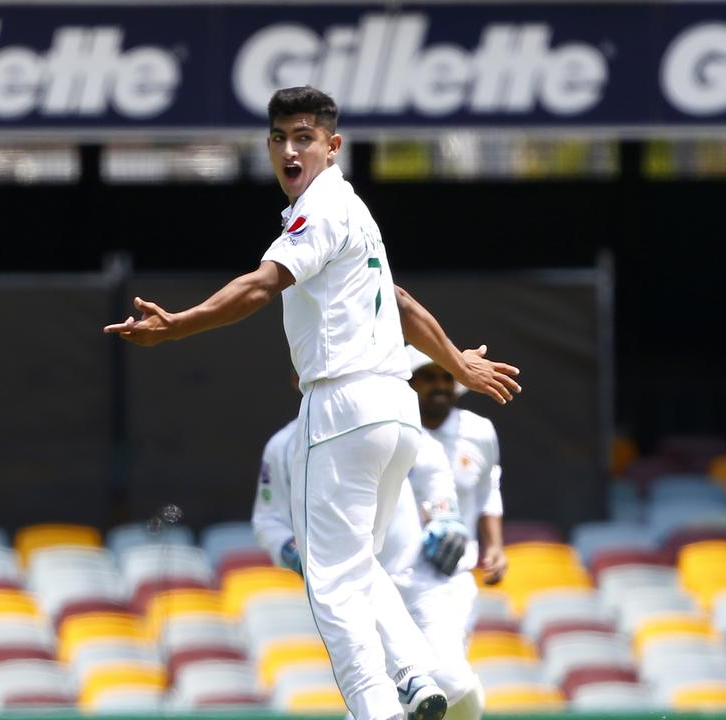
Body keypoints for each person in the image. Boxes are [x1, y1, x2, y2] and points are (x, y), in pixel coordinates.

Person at [105, 86, 520, 720]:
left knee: (331, 584)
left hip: (344, 408)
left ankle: (376, 708)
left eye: (305, 137)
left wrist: (178, 326)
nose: (290, 150)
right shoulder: (356, 210)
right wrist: (455, 358)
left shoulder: (319, 209)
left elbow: (261, 285)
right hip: (396, 413)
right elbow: (401, 302)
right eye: (279, 138)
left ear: (333, 146)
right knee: (361, 564)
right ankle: (417, 675)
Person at [252, 411, 486, 720]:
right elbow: (268, 520)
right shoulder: (283, 445)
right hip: (353, 591)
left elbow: (434, 473)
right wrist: (299, 553)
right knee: (379, 703)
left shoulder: (388, 420)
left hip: (418, 580)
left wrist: (446, 520)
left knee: (451, 680)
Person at [407, 347, 507, 592]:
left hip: (453, 575)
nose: (440, 385)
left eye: (447, 377)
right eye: (429, 377)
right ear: (410, 383)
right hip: (395, 573)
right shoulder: (389, 434)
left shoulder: (479, 431)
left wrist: (494, 546)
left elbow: (487, 490)